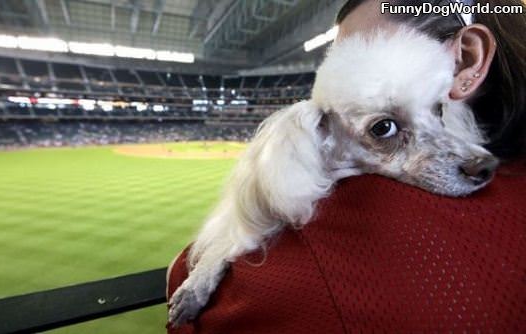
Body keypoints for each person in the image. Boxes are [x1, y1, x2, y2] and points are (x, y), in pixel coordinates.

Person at [167, 0, 526, 333]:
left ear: (466, 59)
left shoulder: (319, 269)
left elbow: (183, 286)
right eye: (384, 127)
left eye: (434, 109)